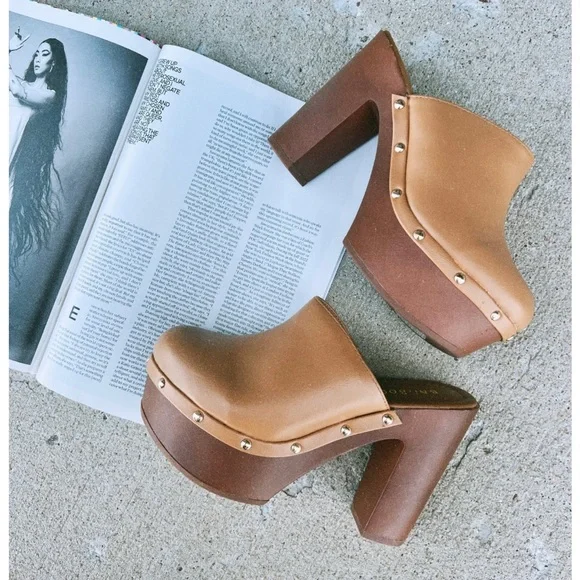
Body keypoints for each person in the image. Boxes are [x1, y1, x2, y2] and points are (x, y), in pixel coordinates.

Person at [9, 29, 68, 273]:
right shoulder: (18, 80)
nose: (37, 58)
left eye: (44, 54)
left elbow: (18, 92)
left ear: (53, 64)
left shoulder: (48, 95)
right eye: (36, 53)